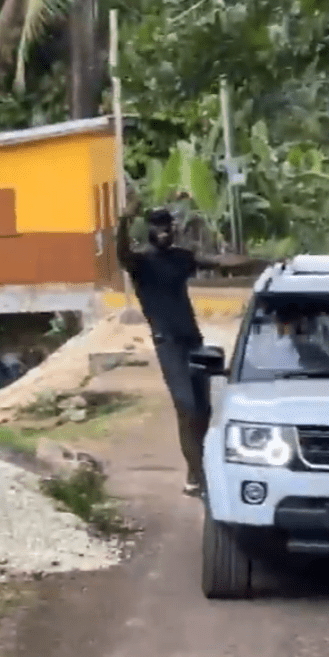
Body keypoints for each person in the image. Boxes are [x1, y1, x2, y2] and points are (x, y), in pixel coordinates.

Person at [116, 193, 267, 496]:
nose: (163, 231)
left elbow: (222, 263)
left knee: (204, 410)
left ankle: (200, 471)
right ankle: (197, 476)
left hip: (193, 341)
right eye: (157, 226)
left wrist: (263, 263)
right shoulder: (140, 264)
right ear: (148, 229)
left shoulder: (181, 258)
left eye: (167, 226)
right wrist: (123, 220)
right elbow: (120, 252)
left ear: (173, 228)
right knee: (186, 407)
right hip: (168, 344)